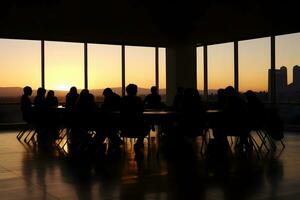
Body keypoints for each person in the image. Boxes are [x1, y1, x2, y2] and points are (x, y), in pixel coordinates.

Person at [120, 84, 149, 152]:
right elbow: (142, 109)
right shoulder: (138, 100)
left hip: (125, 128)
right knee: (147, 126)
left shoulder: (123, 100)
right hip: (138, 128)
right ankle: (139, 143)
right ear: (135, 91)